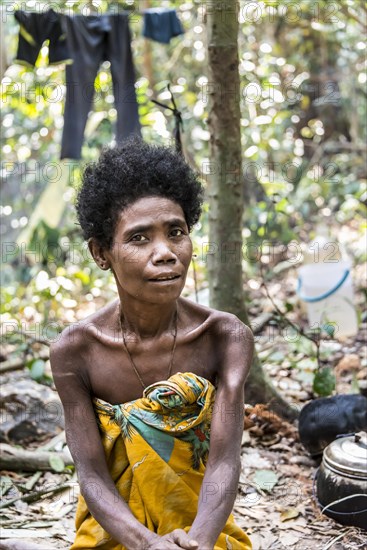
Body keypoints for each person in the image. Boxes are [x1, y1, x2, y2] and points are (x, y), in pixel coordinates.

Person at [50, 138, 253, 550]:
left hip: (203, 522)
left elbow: (225, 461)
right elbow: (90, 474)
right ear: (101, 253)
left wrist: (198, 542)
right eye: (140, 238)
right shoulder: (75, 351)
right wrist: (147, 544)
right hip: (115, 528)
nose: (166, 253)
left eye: (176, 232)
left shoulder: (226, 337)